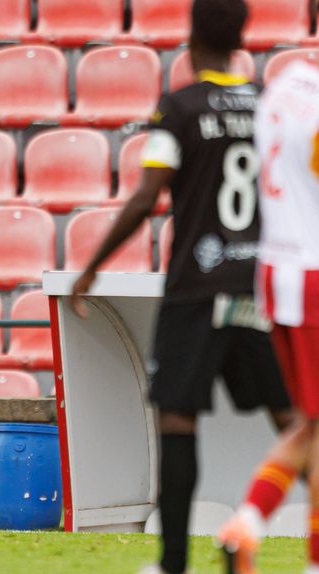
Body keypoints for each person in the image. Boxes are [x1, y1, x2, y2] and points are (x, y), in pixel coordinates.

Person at [69, 1, 295, 572]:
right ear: (242, 38)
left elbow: (148, 195)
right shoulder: (269, 106)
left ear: (191, 41)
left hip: (196, 287)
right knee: (293, 422)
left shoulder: (180, 107)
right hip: (256, 288)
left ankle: (172, 564)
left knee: (176, 417)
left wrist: (92, 266)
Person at [215, 58, 319, 574]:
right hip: (315, 273)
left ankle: (248, 526)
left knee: (311, 423)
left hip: (276, 271)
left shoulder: (283, 85)